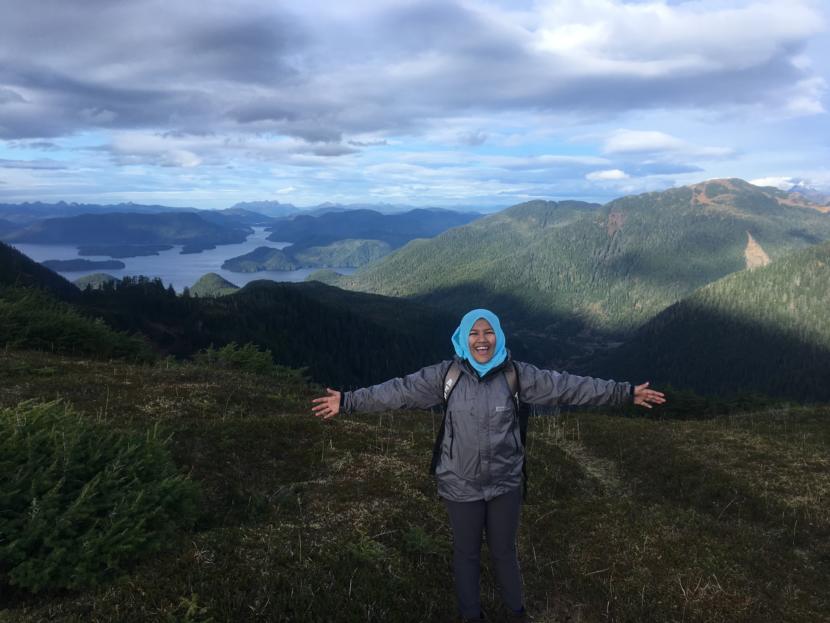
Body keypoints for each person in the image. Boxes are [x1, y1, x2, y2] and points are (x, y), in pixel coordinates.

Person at [311, 309, 665, 622]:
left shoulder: (518, 376)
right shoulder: (445, 376)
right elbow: (399, 391)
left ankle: (515, 613)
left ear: (499, 335)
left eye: (488, 331)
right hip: (459, 485)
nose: (482, 340)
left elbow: (569, 387)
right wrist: (350, 401)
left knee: (504, 552)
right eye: (474, 333)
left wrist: (624, 392)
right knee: (466, 553)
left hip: (505, 484)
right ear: (463, 338)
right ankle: (471, 615)